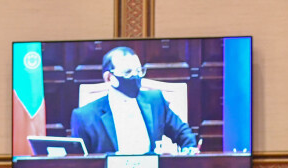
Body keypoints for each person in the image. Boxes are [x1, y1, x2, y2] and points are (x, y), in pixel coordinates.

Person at [69, 47, 198, 155]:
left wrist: (189, 149)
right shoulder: (85, 116)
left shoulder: (155, 101)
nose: (135, 77)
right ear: (109, 78)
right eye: (128, 72)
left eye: (138, 71)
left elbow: (182, 132)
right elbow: (78, 163)